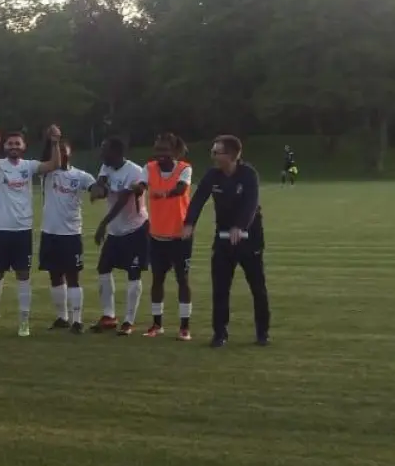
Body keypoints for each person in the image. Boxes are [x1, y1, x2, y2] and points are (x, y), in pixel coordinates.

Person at [0, 109, 63, 337]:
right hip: (0, 230)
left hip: (22, 230)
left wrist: (55, 142)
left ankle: (24, 321)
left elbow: (54, 164)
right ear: (5, 147)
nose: (13, 146)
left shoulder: (29, 166)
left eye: (17, 143)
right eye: (10, 143)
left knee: (23, 276)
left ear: (23, 147)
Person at [182, 134, 270, 348]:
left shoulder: (248, 175)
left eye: (216, 152)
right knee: (220, 288)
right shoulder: (213, 175)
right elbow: (199, 199)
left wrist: (240, 227)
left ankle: (262, 333)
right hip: (222, 238)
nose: (212, 156)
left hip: (249, 238)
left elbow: (251, 203)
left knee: (257, 287)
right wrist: (189, 223)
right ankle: (219, 334)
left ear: (230, 155)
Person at [91, 136, 149, 336]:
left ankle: (129, 321)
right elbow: (100, 184)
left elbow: (123, 200)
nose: (101, 154)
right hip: (116, 231)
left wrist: (103, 224)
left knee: (133, 272)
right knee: (104, 269)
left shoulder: (134, 171)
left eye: (104, 150)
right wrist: (98, 190)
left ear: (116, 153)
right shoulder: (106, 166)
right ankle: (109, 316)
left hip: (135, 229)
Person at [37, 136, 95, 334]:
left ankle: (77, 320)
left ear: (71, 152)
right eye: (57, 149)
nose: (60, 153)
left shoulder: (81, 176)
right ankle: (62, 317)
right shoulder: (47, 174)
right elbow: (46, 156)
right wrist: (52, 139)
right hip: (50, 232)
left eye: (64, 149)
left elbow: (95, 188)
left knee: (73, 277)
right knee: (54, 276)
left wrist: (99, 190)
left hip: (70, 233)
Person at [145, 132, 195, 340]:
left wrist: (163, 194)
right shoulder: (149, 168)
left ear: (174, 151)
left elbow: (181, 189)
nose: (161, 154)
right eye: (158, 150)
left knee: (182, 280)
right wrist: (138, 188)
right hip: (157, 234)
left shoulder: (184, 169)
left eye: (165, 150)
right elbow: (140, 182)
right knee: (157, 280)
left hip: (178, 235)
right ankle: (157, 324)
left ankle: (184, 327)